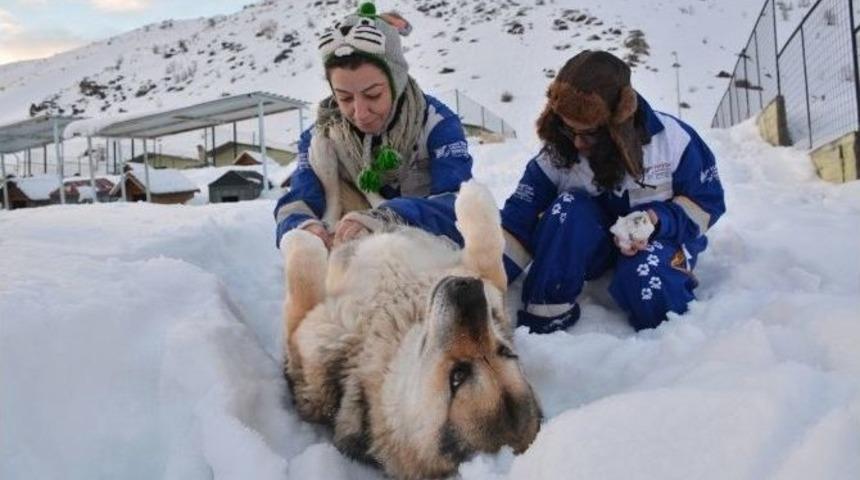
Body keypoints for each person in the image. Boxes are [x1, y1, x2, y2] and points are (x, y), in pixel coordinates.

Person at [501, 50, 726, 333]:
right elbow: (517, 221)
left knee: (647, 276)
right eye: (569, 130)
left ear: (619, 120)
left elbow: (706, 204)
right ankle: (547, 316)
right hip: (594, 248)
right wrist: (487, 277)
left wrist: (657, 220)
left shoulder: (673, 141)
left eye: (591, 133)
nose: (579, 144)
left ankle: (668, 347)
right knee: (566, 208)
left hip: (660, 241)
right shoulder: (559, 151)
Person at [274, 3, 472, 249]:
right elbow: (299, 200)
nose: (360, 113)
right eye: (344, 98)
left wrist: (387, 217)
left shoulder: (436, 124)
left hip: (424, 249)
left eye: (373, 95)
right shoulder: (320, 135)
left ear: (396, 81)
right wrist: (305, 228)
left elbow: (458, 204)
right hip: (348, 252)